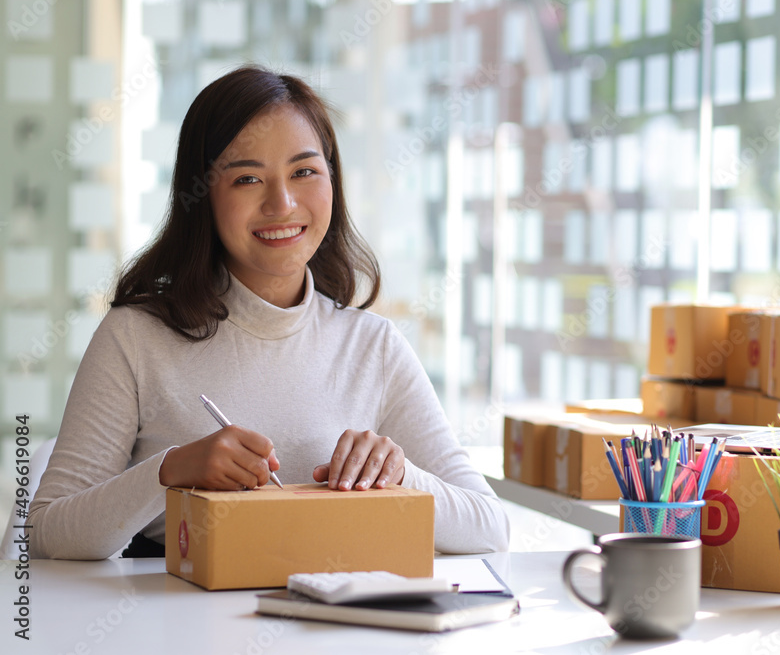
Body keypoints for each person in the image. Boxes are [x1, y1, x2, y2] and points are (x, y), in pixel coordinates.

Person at [28, 66, 509, 559]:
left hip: (335, 630)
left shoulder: (374, 346)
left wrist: (401, 474)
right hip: (178, 629)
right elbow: (45, 534)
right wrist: (168, 472)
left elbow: (490, 527)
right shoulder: (135, 337)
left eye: (304, 172)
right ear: (203, 198)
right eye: (247, 179)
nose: (281, 204)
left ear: (332, 181)